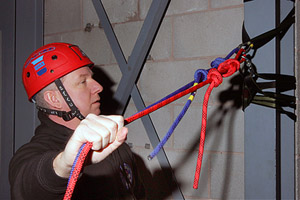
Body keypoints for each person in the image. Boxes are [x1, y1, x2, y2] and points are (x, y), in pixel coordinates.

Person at [9, 42, 145, 199]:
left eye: (91, 78)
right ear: (54, 99)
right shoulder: (34, 153)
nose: (98, 87)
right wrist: (65, 164)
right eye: (82, 81)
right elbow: (29, 186)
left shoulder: (116, 146)